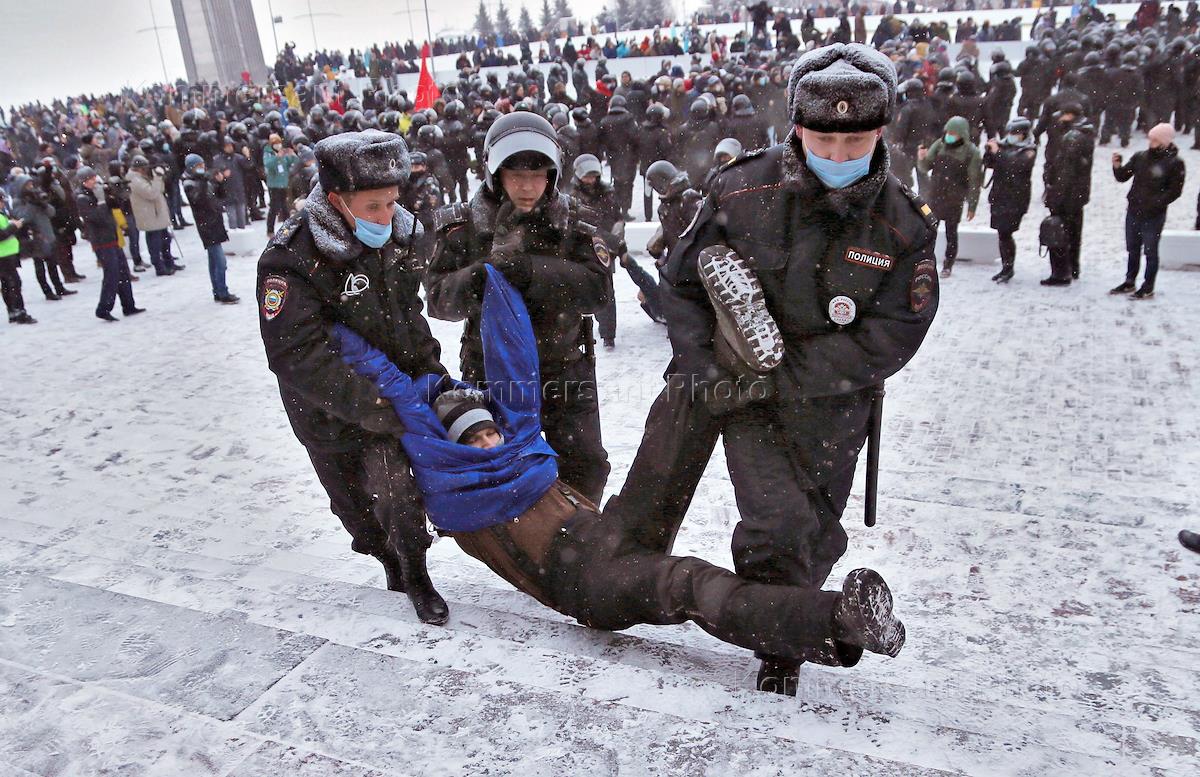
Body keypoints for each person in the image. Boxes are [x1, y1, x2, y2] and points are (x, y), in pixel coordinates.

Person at [332, 264, 906, 675]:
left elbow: (515, 360)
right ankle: (838, 621)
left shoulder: (517, 438)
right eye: (474, 437)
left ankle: (727, 346)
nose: (486, 440)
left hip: (607, 533)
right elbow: (395, 388)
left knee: (672, 428)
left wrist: (496, 280)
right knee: (692, 584)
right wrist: (330, 327)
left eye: (488, 429)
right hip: (587, 584)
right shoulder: (449, 479)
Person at [604, 42, 939, 696]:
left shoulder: (903, 223)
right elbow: (684, 286)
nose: (838, 157)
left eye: (857, 142)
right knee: (773, 523)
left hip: (837, 402)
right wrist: (704, 367)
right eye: (822, 139)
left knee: (817, 528)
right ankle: (779, 646)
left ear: (881, 133)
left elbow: (896, 330)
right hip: (748, 398)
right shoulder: (741, 188)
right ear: (796, 126)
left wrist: (790, 369)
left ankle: (790, 611)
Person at [256, 129, 450, 625]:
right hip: (326, 408)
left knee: (398, 496)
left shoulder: (400, 235)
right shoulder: (292, 257)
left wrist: (431, 374)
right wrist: (367, 403)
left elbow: (409, 317)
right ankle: (384, 556)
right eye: (373, 207)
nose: (387, 217)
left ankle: (414, 572)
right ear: (337, 200)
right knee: (357, 512)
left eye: (391, 202)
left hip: (388, 397)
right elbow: (295, 352)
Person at [426, 112, 612, 505]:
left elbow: (599, 292)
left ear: (553, 175)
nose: (528, 187)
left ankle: (576, 545)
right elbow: (439, 300)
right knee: (500, 465)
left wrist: (533, 272)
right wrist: (480, 277)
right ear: (496, 174)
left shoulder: (575, 223)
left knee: (587, 463)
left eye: (538, 174)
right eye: (516, 175)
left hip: (564, 363)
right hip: (491, 366)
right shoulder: (463, 227)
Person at [1109, 123, 1186, 300]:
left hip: (1154, 214)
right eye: (1151, 138)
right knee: (1133, 248)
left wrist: (1156, 203)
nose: (1151, 142)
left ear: (1165, 141)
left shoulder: (1175, 163)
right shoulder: (1140, 157)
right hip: (1134, 210)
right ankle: (1130, 281)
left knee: (1151, 252)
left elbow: (1175, 191)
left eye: (1156, 139)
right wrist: (1117, 166)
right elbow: (1122, 177)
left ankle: (1148, 286)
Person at [74, 166, 144, 322]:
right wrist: (100, 201)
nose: (94, 181)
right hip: (101, 241)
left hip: (111, 237)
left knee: (123, 272)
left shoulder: (96, 192)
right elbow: (97, 218)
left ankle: (128, 305)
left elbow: (115, 206)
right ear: (84, 182)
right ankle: (103, 308)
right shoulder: (82, 198)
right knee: (111, 275)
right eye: (91, 179)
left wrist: (114, 194)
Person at [917, 115, 983, 278]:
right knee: (929, 231)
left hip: (955, 199)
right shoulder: (939, 145)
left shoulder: (971, 153)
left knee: (951, 233)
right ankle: (924, 262)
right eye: (948, 131)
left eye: (954, 132)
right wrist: (921, 158)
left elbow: (975, 181)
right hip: (935, 196)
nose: (949, 135)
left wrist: (972, 206)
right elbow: (925, 167)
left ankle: (948, 264)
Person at [1041, 102, 1095, 286]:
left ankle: (1060, 273)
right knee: (1073, 232)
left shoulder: (1072, 137)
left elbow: (1066, 171)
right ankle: (1073, 267)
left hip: (1067, 195)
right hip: (1077, 194)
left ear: (1070, 115)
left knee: (1060, 232)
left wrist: (1055, 196)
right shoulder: (1084, 133)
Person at [982, 118, 1037, 283]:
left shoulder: (1029, 150)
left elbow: (1015, 166)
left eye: (1016, 133)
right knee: (1001, 233)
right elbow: (991, 164)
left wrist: (997, 152)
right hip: (999, 195)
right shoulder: (1004, 146)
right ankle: (1006, 267)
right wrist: (989, 152)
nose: (1012, 136)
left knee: (1006, 233)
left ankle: (1008, 267)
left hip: (1015, 198)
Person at [182, 154, 240, 305]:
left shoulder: (203, 181)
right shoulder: (189, 183)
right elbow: (198, 200)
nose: (201, 169)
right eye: (198, 166)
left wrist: (219, 183)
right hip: (206, 224)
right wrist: (203, 181)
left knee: (214, 260)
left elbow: (218, 196)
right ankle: (222, 291)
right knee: (220, 262)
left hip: (214, 221)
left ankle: (218, 291)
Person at [126, 156, 181, 276]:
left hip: (156, 213)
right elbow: (152, 193)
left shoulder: (142, 177)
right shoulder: (135, 181)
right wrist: (157, 177)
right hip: (149, 216)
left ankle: (169, 262)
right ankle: (159, 266)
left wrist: (159, 177)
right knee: (155, 243)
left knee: (165, 240)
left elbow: (160, 189)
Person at [0, 188, 35, 324]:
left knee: (7, 284)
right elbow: (1, 235)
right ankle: (20, 312)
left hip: (7, 254)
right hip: (4, 255)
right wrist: (15, 226)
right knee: (14, 283)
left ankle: (13, 311)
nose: (3, 203)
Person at [263, 134, 297, 235]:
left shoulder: (282, 153)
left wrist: (292, 155)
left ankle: (287, 230)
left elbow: (291, 162)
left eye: (279, 143)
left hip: (284, 183)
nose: (278, 146)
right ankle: (270, 230)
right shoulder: (268, 153)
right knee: (274, 207)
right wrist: (277, 157)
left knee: (285, 207)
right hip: (274, 185)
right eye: (275, 144)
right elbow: (268, 165)